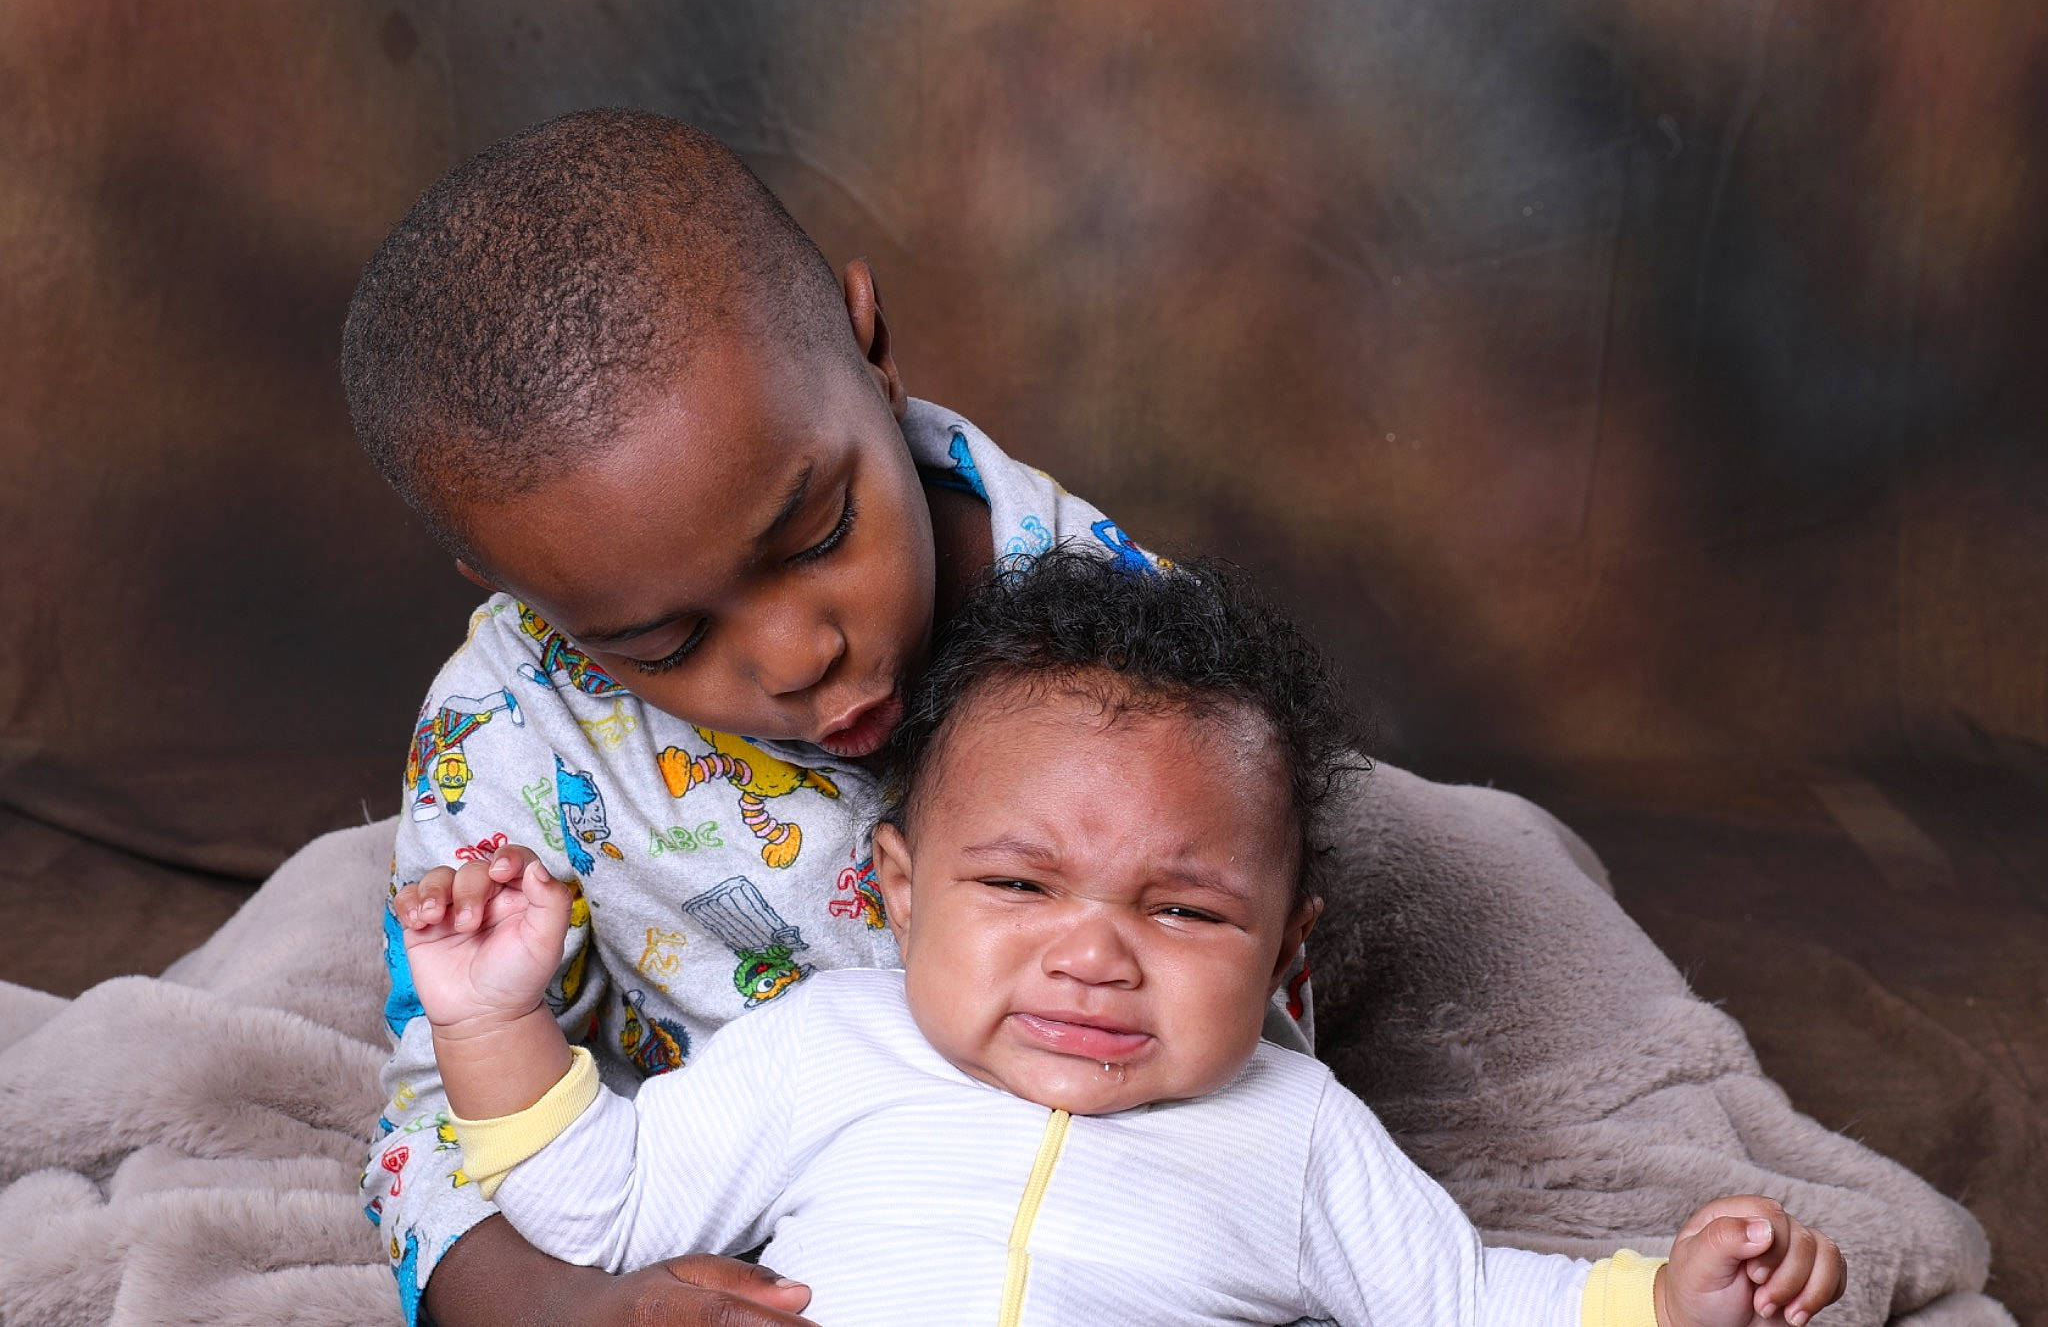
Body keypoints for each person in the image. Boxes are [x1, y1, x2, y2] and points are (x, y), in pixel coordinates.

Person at [399, 551, 1847, 1327]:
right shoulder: (823, 1052)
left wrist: (1663, 1296)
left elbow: (1466, 1303)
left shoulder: (1294, 1133)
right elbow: (604, 1200)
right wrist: (490, 1017)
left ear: (1286, 956)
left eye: (1183, 907)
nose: (1093, 954)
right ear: (900, 894)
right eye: (1021, 887)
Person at [342, 107, 1211, 1326]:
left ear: (872, 354)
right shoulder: (506, 733)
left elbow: (1249, 1016)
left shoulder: (1121, 637)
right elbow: (442, 1120)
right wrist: (567, 1311)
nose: (799, 655)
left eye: (821, 536)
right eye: (666, 642)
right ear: (530, 600)